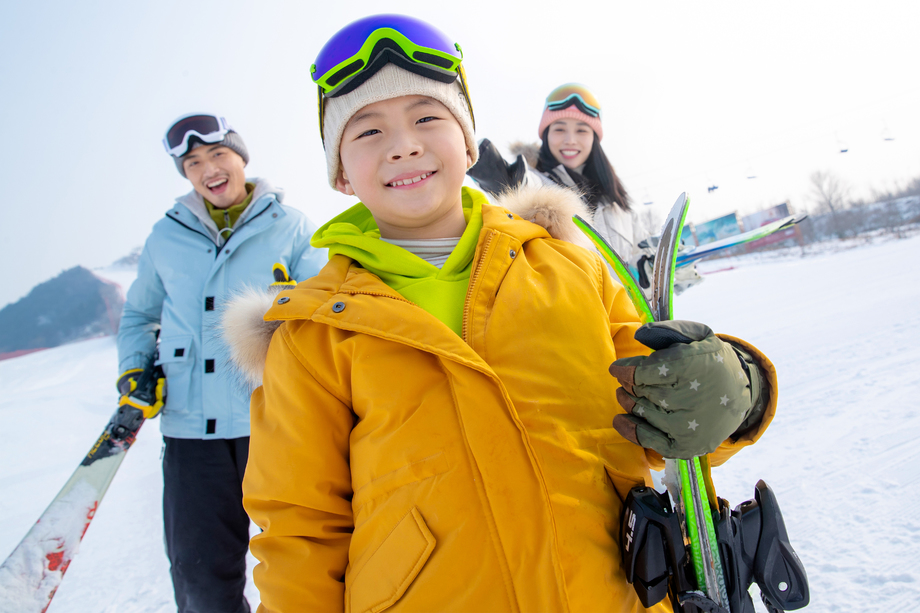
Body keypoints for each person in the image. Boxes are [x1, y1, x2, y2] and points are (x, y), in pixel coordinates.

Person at [227, 14, 777, 612]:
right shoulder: (315, 336)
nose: (404, 143)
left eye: (427, 117)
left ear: (468, 143)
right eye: (366, 131)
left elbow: (666, 412)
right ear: (339, 172)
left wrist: (734, 386)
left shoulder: (572, 270)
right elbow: (300, 531)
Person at [115, 114, 326, 613]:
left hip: (275, 421)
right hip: (192, 436)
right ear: (185, 174)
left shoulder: (290, 226)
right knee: (201, 580)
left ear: (240, 158)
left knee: (306, 568)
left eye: (217, 155)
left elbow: (322, 312)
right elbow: (139, 315)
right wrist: (134, 368)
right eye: (193, 163)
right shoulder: (165, 238)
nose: (208, 168)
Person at [468, 83, 704, 294]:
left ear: (594, 138)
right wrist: (505, 180)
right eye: (559, 129)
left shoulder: (616, 202)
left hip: (629, 330)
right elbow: (526, 190)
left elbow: (637, 266)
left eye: (581, 130)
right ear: (546, 135)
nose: (570, 139)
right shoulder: (538, 185)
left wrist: (656, 269)